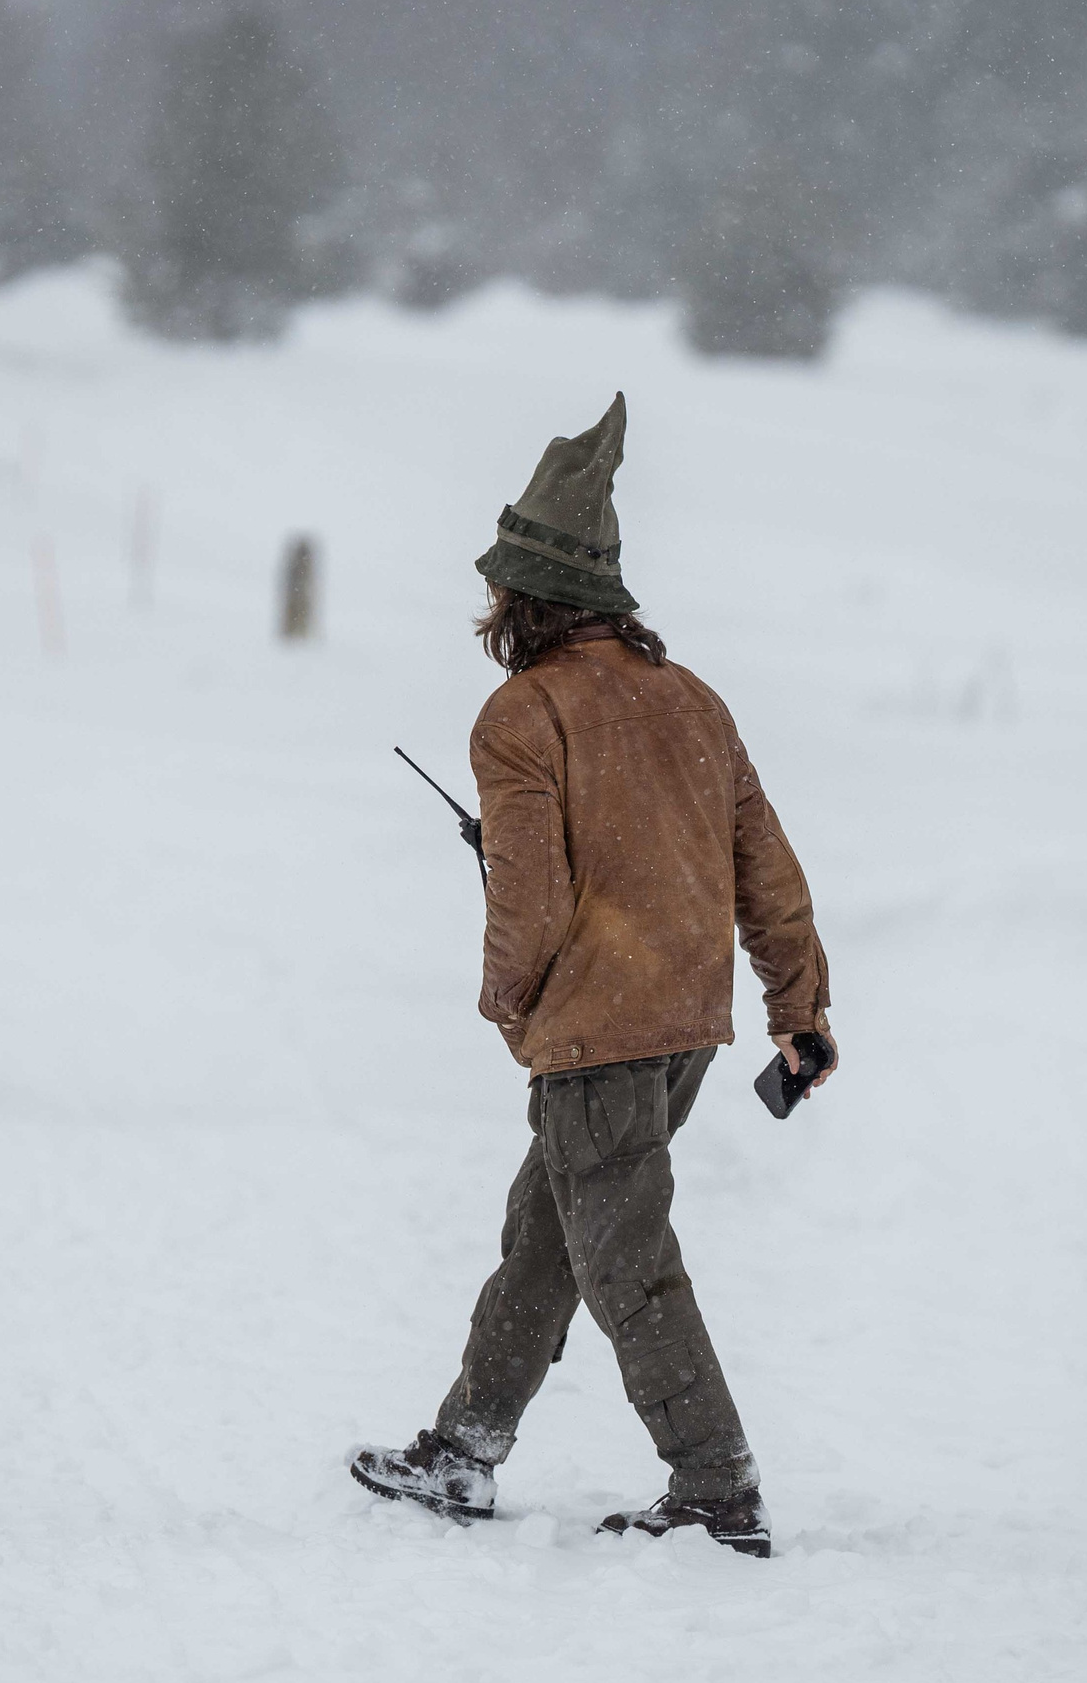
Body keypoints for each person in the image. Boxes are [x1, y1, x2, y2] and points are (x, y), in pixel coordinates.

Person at [348, 393, 833, 1559]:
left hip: (597, 1030)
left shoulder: (521, 715)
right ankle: (464, 1449)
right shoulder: (690, 699)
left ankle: (717, 1490)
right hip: (682, 1031)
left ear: (522, 598)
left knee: (626, 1263)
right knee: (548, 1235)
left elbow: (530, 896)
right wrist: (797, 1009)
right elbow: (762, 865)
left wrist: (509, 1002)